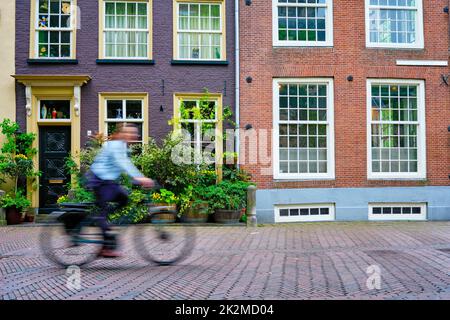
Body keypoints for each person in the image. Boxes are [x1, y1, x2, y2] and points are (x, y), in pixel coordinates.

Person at [88, 123, 154, 258]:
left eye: (135, 134)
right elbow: (124, 163)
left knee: (124, 198)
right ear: (124, 134)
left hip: (107, 180)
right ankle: (105, 242)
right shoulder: (117, 146)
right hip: (100, 180)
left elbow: (121, 166)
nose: (134, 136)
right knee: (105, 211)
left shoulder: (122, 146)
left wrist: (136, 179)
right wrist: (141, 178)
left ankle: (105, 223)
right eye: (130, 133)